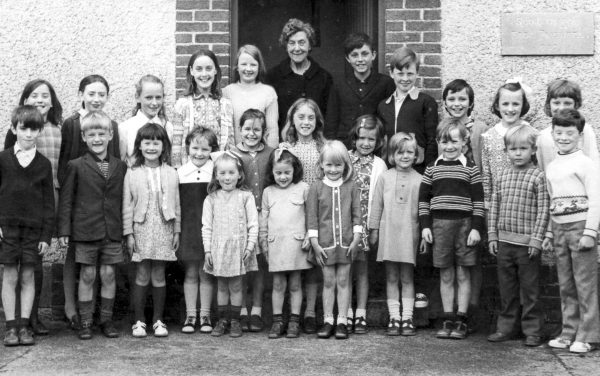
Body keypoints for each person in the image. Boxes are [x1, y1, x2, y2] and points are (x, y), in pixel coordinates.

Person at [57, 74, 121, 331]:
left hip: (106, 218)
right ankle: (77, 315)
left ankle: (102, 318)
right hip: (82, 208)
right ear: (82, 94)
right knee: (83, 269)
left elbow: (115, 170)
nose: (96, 99)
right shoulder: (73, 124)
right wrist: (66, 225)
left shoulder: (110, 127)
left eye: (101, 94)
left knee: (105, 272)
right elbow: (65, 163)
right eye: (91, 93)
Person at [4, 79, 63, 336]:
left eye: (33, 130)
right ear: (14, 128)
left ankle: (27, 323)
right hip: (8, 226)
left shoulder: (43, 163)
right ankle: (11, 325)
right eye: (23, 129)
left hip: (34, 225)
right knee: (10, 275)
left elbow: (48, 202)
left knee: (29, 273)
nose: (28, 134)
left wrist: (46, 234)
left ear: (39, 131)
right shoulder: (4, 157)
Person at [419, 121, 484, 340]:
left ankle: (462, 319)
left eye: (454, 141)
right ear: (438, 142)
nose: (449, 146)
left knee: (463, 273)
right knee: (446, 273)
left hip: (465, 226)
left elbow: (478, 202)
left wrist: (476, 229)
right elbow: (423, 202)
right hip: (440, 227)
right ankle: (447, 317)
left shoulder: (470, 170)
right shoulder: (432, 169)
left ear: (464, 142)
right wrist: (425, 227)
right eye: (444, 141)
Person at [486, 124, 549, 347]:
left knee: (530, 290)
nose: (518, 153)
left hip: (527, 247)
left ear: (533, 150)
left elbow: (543, 210)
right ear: (506, 152)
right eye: (513, 149)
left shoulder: (538, 177)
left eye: (523, 148)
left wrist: (536, 239)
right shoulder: (502, 176)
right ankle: (505, 328)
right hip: (504, 244)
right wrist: (492, 235)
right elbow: (494, 206)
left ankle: (532, 330)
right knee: (507, 289)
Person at [543, 109, 600, 354]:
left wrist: (590, 232)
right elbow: (551, 200)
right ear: (553, 134)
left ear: (579, 135)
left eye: (570, 133)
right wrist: (548, 233)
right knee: (565, 283)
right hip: (559, 230)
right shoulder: (553, 165)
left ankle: (588, 335)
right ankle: (569, 332)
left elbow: (597, 200)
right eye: (559, 132)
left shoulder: (586, 164)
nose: (564, 137)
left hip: (580, 229)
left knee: (584, 284)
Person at [123, 123, 180, 338]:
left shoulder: (171, 173)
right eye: (147, 142)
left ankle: (158, 320)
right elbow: (127, 206)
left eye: (156, 142)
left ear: (164, 146)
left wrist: (177, 231)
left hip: (164, 227)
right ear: (139, 145)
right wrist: (128, 233)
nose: (151, 147)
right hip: (142, 227)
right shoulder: (133, 172)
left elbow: (177, 204)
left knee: (159, 273)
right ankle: (139, 321)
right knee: (142, 272)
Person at [442, 79, 489, 332]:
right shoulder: (443, 128)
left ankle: (470, 311)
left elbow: (484, 163)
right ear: (445, 103)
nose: (457, 103)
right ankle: (452, 312)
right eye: (452, 99)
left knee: (471, 259)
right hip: (450, 201)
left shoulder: (480, 129)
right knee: (451, 259)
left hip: (473, 198)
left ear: (470, 102)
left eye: (462, 99)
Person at [279, 98, 325, 333]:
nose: (305, 122)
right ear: (292, 120)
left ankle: (309, 312)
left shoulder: (323, 149)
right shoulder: (285, 149)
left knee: (314, 266)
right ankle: (290, 314)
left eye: (310, 117)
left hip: (317, 211)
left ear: (317, 121)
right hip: (293, 214)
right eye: (301, 117)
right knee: (295, 265)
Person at [369, 132, 423, 336]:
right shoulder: (385, 177)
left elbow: (423, 210)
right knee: (391, 276)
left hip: (410, 234)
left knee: (407, 277)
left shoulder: (420, 180)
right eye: (400, 152)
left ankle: (407, 318)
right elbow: (377, 206)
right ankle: (394, 317)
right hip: (388, 233)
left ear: (416, 154)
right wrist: (374, 230)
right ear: (392, 155)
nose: (405, 156)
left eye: (410, 152)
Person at [307, 140, 361, 340]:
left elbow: (357, 214)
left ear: (345, 165)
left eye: (338, 165)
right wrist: (314, 243)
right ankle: (328, 320)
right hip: (324, 245)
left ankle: (342, 321)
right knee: (328, 281)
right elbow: (311, 217)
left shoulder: (351, 186)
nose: (333, 169)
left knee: (343, 281)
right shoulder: (316, 187)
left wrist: (356, 238)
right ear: (321, 164)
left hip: (347, 244)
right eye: (329, 164)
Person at [202, 152, 259, 338]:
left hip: (239, 249)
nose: (227, 177)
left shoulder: (245, 196)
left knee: (236, 286)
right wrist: (208, 250)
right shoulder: (211, 199)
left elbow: (253, 224)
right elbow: (207, 227)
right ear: (216, 175)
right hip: (219, 249)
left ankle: (235, 320)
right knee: (221, 286)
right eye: (223, 173)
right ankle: (222, 320)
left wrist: (249, 247)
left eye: (231, 173)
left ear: (239, 174)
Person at [229, 109, 275, 332]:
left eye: (257, 129)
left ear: (264, 132)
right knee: (242, 264)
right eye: (247, 129)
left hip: (264, 216)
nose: (251, 133)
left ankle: (256, 310)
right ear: (239, 130)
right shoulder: (232, 154)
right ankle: (242, 309)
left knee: (259, 266)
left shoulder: (271, 153)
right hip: (240, 217)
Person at [259, 148, 312, 338]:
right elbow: (263, 219)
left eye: (287, 173)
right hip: (276, 246)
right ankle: (277, 321)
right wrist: (263, 242)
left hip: (297, 245)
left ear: (294, 171)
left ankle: (294, 321)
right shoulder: (268, 192)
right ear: (272, 173)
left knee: (296, 284)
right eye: (278, 173)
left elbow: (310, 216)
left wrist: (309, 236)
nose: (283, 177)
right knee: (278, 284)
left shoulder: (303, 188)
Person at [346, 115, 387, 334]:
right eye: (362, 138)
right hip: (345, 223)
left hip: (365, 222)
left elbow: (378, 198)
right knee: (345, 268)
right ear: (355, 138)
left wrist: (374, 227)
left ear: (378, 141)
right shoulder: (346, 159)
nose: (366, 143)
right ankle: (346, 311)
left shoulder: (379, 164)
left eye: (371, 139)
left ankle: (360, 312)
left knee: (361, 269)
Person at [178, 127, 218, 334]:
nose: (199, 153)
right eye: (195, 148)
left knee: (206, 272)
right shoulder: (181, 172)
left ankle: (205, 315)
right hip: (189, 229)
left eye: (205, 149)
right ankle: (190, 314)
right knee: (191, 272)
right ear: (188, 148)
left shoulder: (216, 173)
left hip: (210, 230)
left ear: (212, 150)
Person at [267, 18, 333, 140]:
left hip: (316, 145)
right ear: (286, 46)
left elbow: (328, 117)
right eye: (292, 43)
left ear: (310, 45)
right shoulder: (273, 76)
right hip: (284, 145)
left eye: (302, 42)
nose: (297, 48)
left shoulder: (324, 77)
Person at [325, 32, 395, 145]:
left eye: (364, 54)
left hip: (373, 144)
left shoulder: (386, 83)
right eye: (354, 55)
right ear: (348, 58)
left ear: (373, 55)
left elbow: (389, 120)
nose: (360, 59)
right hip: (345, 144)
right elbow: (331, 120)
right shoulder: (339, 84)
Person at [376, 47, 438, 173]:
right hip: (391, 169)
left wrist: (429, 173)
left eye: (409, 74)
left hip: (417, 170)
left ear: (417, 73)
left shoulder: (425, 102)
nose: (405, 79)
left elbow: (432, 141)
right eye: (400, 74)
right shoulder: (384, 105)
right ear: (391, 73)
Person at [172, 49, 234, 167]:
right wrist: (177, 170)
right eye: (199, 69)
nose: (204, 74)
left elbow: (230, 143)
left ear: (215, 70)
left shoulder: (226, 105)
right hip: (190, 170)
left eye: (209, 68)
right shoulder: (182, 104)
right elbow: (176, 145)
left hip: (217, 170)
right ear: (191, 71)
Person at [481, 80, 531, 209]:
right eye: (505, 104)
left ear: (523, 105)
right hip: (498, 205)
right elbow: (486, 174)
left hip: (525, 203)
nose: (510, 109)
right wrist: (487, 205)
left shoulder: (530, 133)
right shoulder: (489, 136)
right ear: (497, 106)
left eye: (515, 104)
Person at [535, 79, 599, 172]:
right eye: (556, 103)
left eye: (567, 103)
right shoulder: (542, 137)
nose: (561, 108)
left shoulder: (585, 130)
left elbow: (594, 163)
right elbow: (542, 169)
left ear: (575, 105)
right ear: (549, 104)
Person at [223, 45, 279, 148]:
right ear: (237, 67)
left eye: (253, 65)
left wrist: (271, 157)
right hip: (234, 155)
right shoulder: (227, 92)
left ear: (259, 67)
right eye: (244, 64)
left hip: (260, 155)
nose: (248, 69)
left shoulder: (268, 92)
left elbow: (272, 130)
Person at [118, 75, 172, 166]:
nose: (154, 103)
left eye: (158, 97)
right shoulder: (125, 128)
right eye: (149, 97)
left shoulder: (168, 127)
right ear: (137, 97)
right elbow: (121, 162)